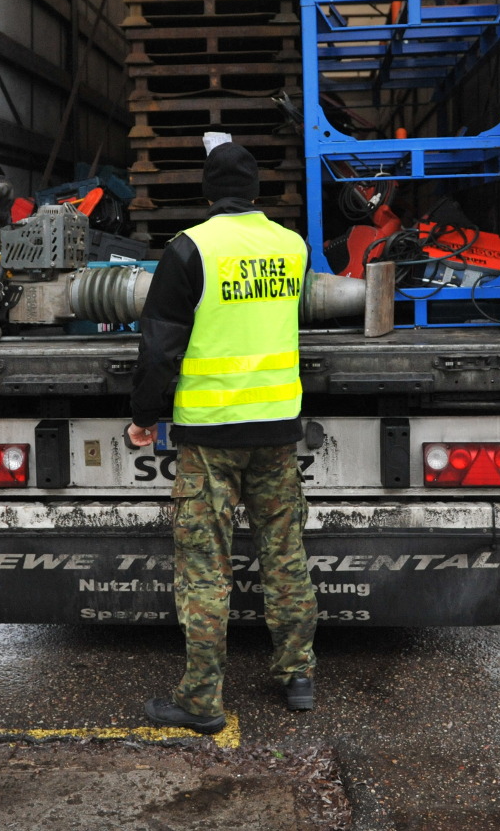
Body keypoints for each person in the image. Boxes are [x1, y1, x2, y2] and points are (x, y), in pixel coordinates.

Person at [128, 141, 317, 735]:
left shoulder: (189, 249)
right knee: (284, 554)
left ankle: (202, 700)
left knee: (206, 569)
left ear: (207, 192)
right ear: (257, 191)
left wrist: (143, 416)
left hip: (210, 437)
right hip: (277, 428)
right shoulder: (293, 246)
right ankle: (298, 676)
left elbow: (160, 346)